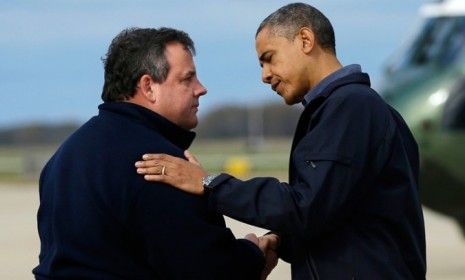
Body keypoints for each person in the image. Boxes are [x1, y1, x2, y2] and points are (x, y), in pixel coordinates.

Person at [135, 3, 427, 280]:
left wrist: (209, 183)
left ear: (305, 39)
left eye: (269, 58)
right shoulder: (348, 109)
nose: (264, 76)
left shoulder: (351, 107)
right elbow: (335, 212)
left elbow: (306, 207)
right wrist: (280, 242)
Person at [33, 27, 279, 280]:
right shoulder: (160, 165)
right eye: (187, 78)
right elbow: (207, 269)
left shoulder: (64, 156)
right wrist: (253, 253)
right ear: (148, 87)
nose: (201, 88)